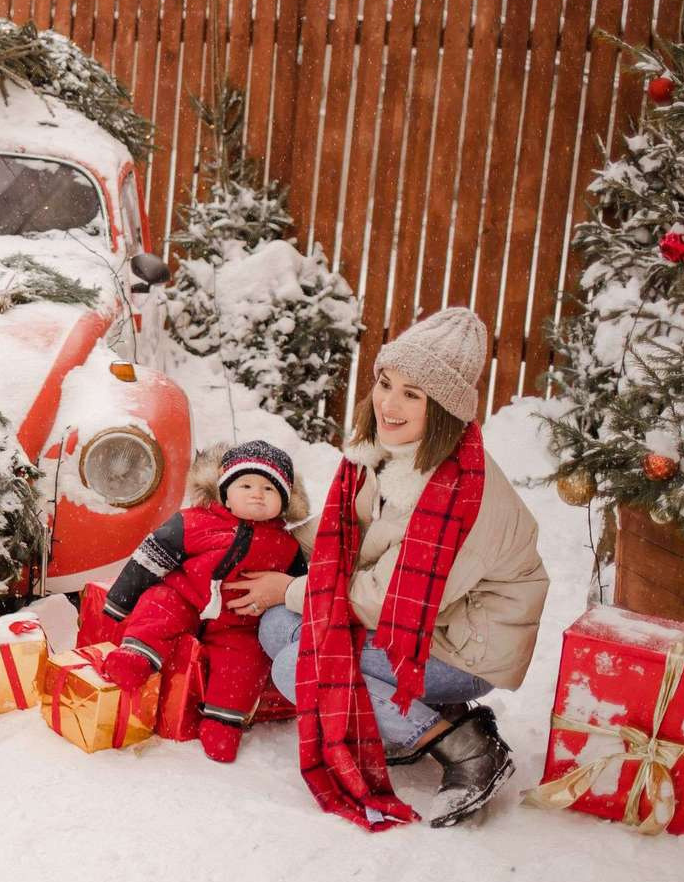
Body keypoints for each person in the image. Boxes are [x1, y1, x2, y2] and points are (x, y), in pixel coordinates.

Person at [233, 308, 548, 828]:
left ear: (443, 408)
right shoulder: (389, 455)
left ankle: (465, 747)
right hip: (419, 629)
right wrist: (257, 544)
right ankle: (422, 717)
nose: (389, 403)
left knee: (302, 664)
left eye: (412, 394)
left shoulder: (462, 497)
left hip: (463, 650)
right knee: (278, 627)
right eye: (385, 383)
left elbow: (386, 598)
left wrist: (287, 588)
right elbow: (345, 534)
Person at [97, 441, 310, 762]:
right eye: (246, 485)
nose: (257, 494)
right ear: (225, 492)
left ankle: (223, 721)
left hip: (239, 622)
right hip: (186, 596)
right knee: (158, 605)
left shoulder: (287, 546)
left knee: (244, 664)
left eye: (270, 488)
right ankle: (138, 655)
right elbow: (151, 556)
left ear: (284, 502)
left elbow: (295, 588)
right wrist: (120, 601)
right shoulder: (194, 521)